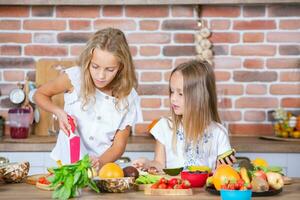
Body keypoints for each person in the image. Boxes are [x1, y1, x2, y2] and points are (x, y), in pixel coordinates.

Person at [34, 28, 142, 169]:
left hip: (101, 170)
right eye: (95, 66)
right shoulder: (74, 78)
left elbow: (118, 146)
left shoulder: (129, 96)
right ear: (88, 61)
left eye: (110, 70)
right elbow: (40, 94)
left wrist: (98, 163)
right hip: (64, 165)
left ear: (121, 67)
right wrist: (59, 112)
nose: (101, 76)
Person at [133, 60, 236, 171]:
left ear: (199, 96)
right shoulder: (164, 126)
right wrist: (148, 163)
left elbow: (223, 173)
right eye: (172, 91)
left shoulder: (218, 133)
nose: (173, 98)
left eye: (180, 93)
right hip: (175, 188)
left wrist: (224, 166)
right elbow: (159, 163)